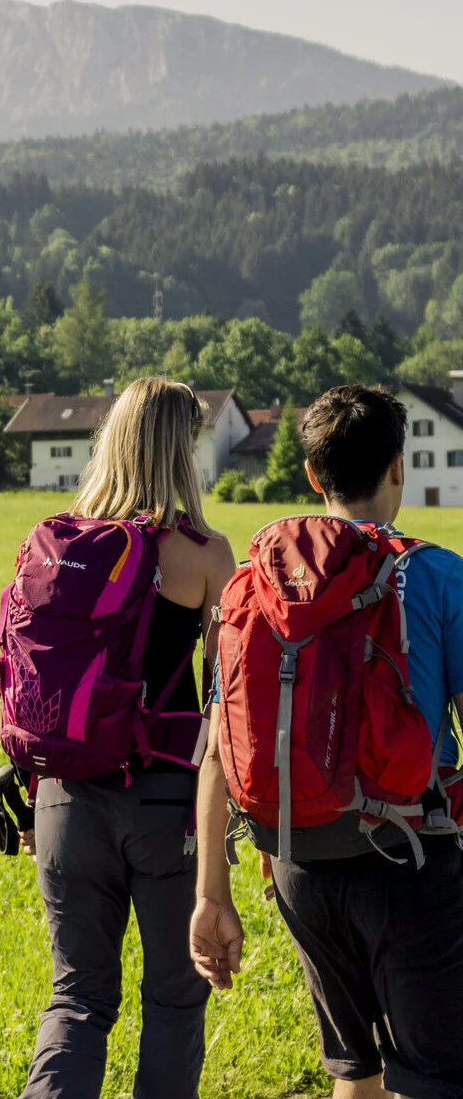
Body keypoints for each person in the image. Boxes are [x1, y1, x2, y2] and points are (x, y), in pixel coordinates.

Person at [190, 384, 463, 1099]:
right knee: (433, 1076)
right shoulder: (436, 574)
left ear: (314, 476)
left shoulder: (258, 583)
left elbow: (219, 747)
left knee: (355, 1068)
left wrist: (210, 895)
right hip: (409, 855)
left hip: (296, 862)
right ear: (398, 467)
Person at [16, 379, 235, 1099]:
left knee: (76, 999)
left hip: (64, 797)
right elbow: (226, 698)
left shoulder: (56, 544)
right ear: (183, 451)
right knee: (173, 998)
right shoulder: (204, 555)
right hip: (166, 799)